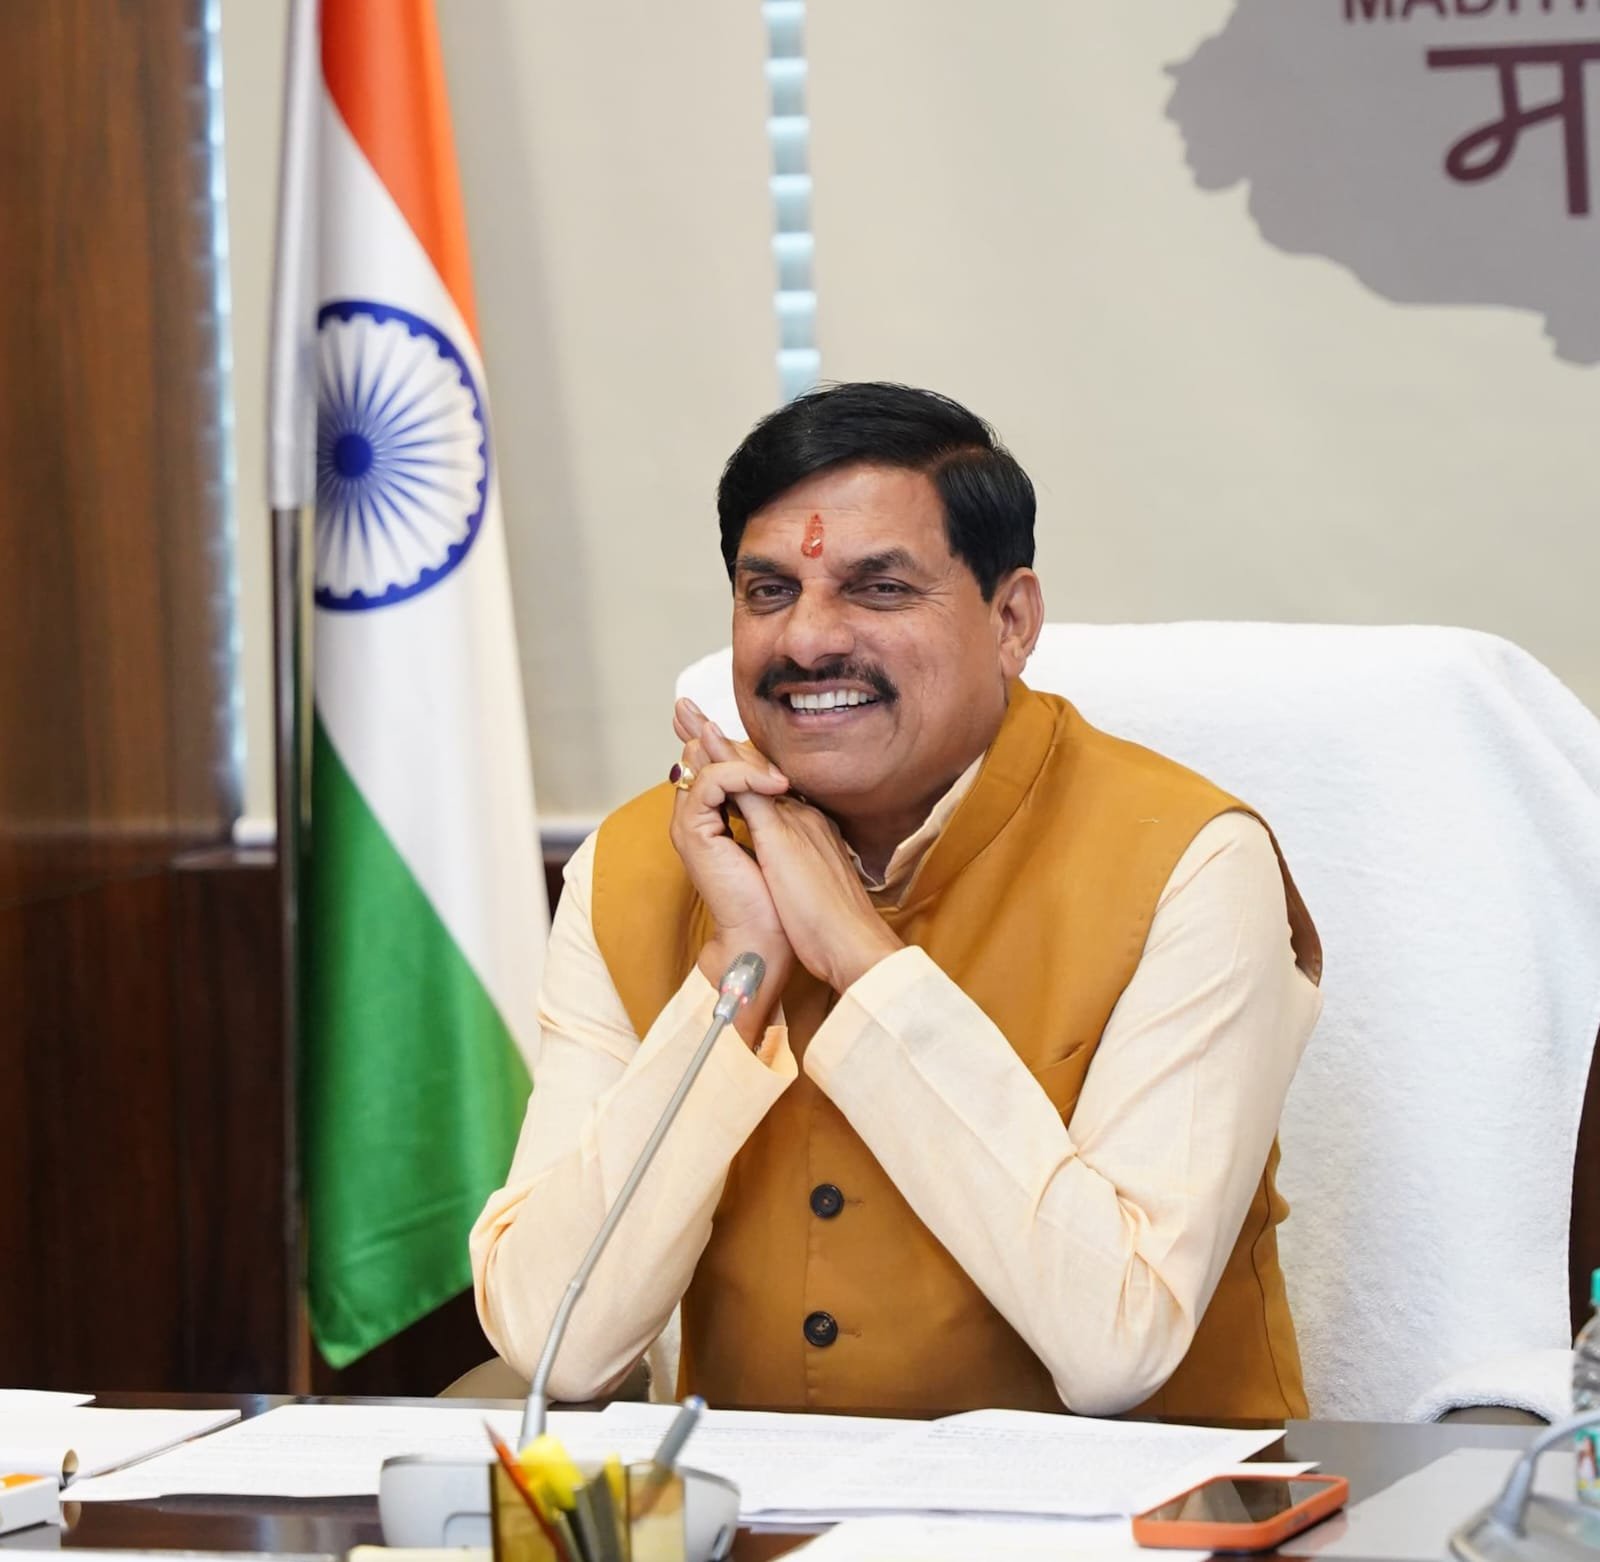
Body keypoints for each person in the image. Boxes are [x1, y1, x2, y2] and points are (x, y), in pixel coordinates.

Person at [471, 382, 1323, 1418]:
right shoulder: (640, 866)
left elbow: (1119, 1344)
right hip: (762, 1501)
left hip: (1152, 1501)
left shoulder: (1190, 863)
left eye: (878, 589)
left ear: (1011, 620)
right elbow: (555, 1347)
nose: (806, 640)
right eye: (768, 590)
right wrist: (739, 967)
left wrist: (861, 960)